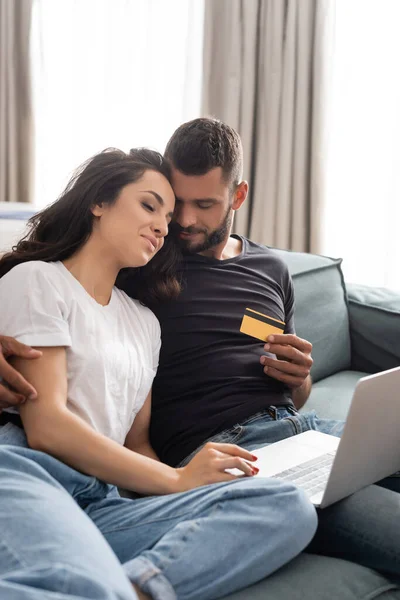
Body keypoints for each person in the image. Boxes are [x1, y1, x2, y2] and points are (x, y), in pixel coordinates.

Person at [0, 148, 317, 600]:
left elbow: (138, 445)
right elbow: (47, 426)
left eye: (166, 217)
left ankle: (138, 588)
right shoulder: (38, 281)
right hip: (32, 473)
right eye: (150, 205)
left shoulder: (145, 323)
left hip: (104, 499)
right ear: (99, 201)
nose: (165, 226)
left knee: (288, 504)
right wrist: (177, 480)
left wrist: (188, 487)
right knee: (85, 584)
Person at [137, 118, 400, 581]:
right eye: (178, 203)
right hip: (231, 453)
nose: (185, 220)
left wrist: (299, 378)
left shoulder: (270, 268)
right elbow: (46, 274)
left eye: (205, 204)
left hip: (303, 426)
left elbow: (295, 398)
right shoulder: (143, 262)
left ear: (238, 196)